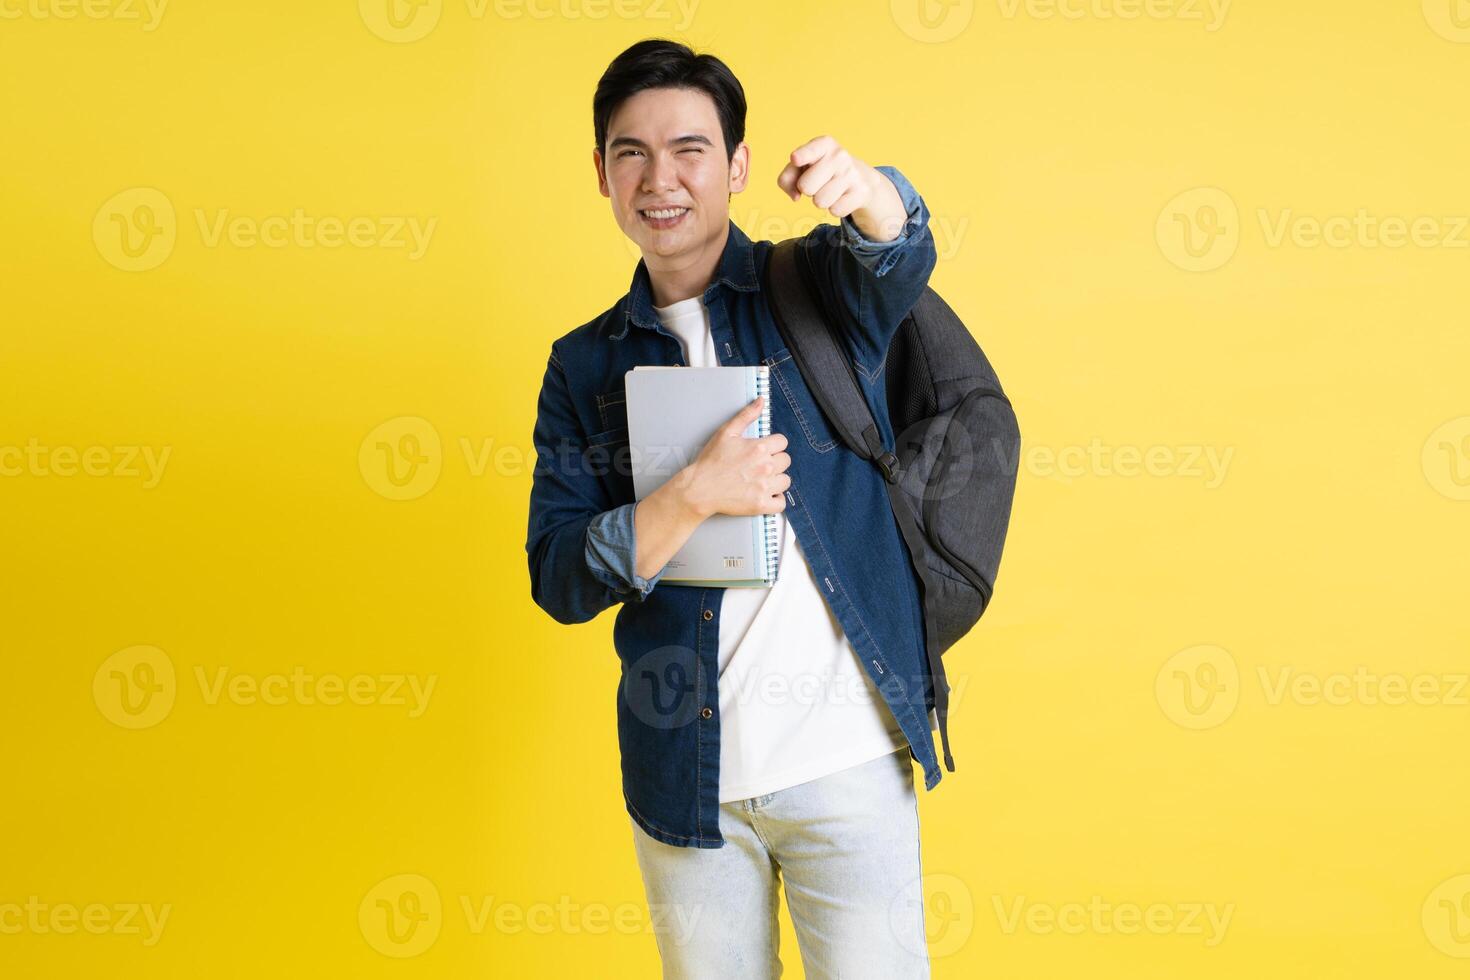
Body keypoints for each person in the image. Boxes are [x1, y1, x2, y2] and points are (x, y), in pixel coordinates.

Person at [526, 37, 941, 979]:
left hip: (846, 767)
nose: (659, 179)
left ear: (739, 166)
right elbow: (557, 575)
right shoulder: (584, 365)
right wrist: (688, 498)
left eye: (690, 149)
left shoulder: (812, 288)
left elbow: (898, 255)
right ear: (600, 174)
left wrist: (872, 189)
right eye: (631, 153)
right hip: (685, 787)